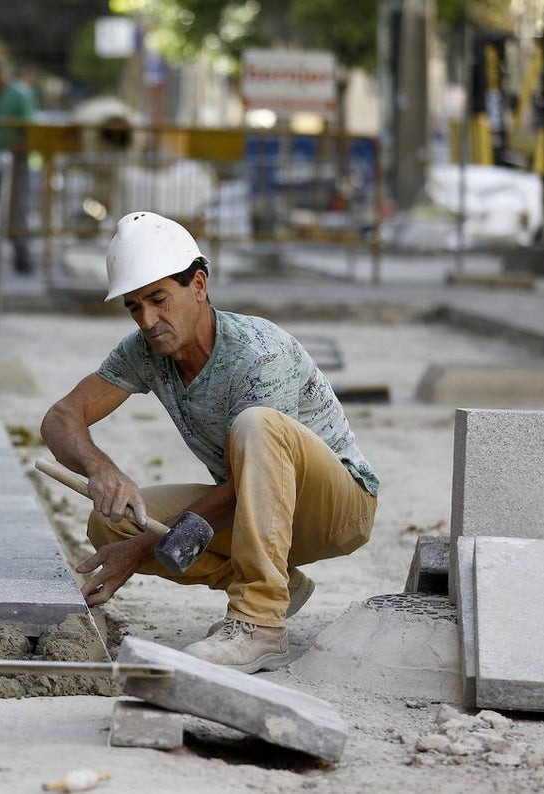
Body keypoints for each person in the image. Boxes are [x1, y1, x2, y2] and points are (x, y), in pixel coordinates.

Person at [40, 212, 380, 673]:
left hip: (336, 508)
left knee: (258, 425)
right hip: (256, 507)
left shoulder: (260, 353)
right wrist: (101, 468)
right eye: (135, 307)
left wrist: (143, 551)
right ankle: (279, 583)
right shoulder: (145, 351)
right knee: (115, 525)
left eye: (159, 299)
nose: (148, 319)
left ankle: (260, 622)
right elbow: (62, 416)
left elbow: (252, 480)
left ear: (199, 285)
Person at [0, 58, 36, 274]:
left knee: (17, 210)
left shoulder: (20, 94)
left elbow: (29, 127)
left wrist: (18, 147)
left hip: (18, 159)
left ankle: (22, 257)